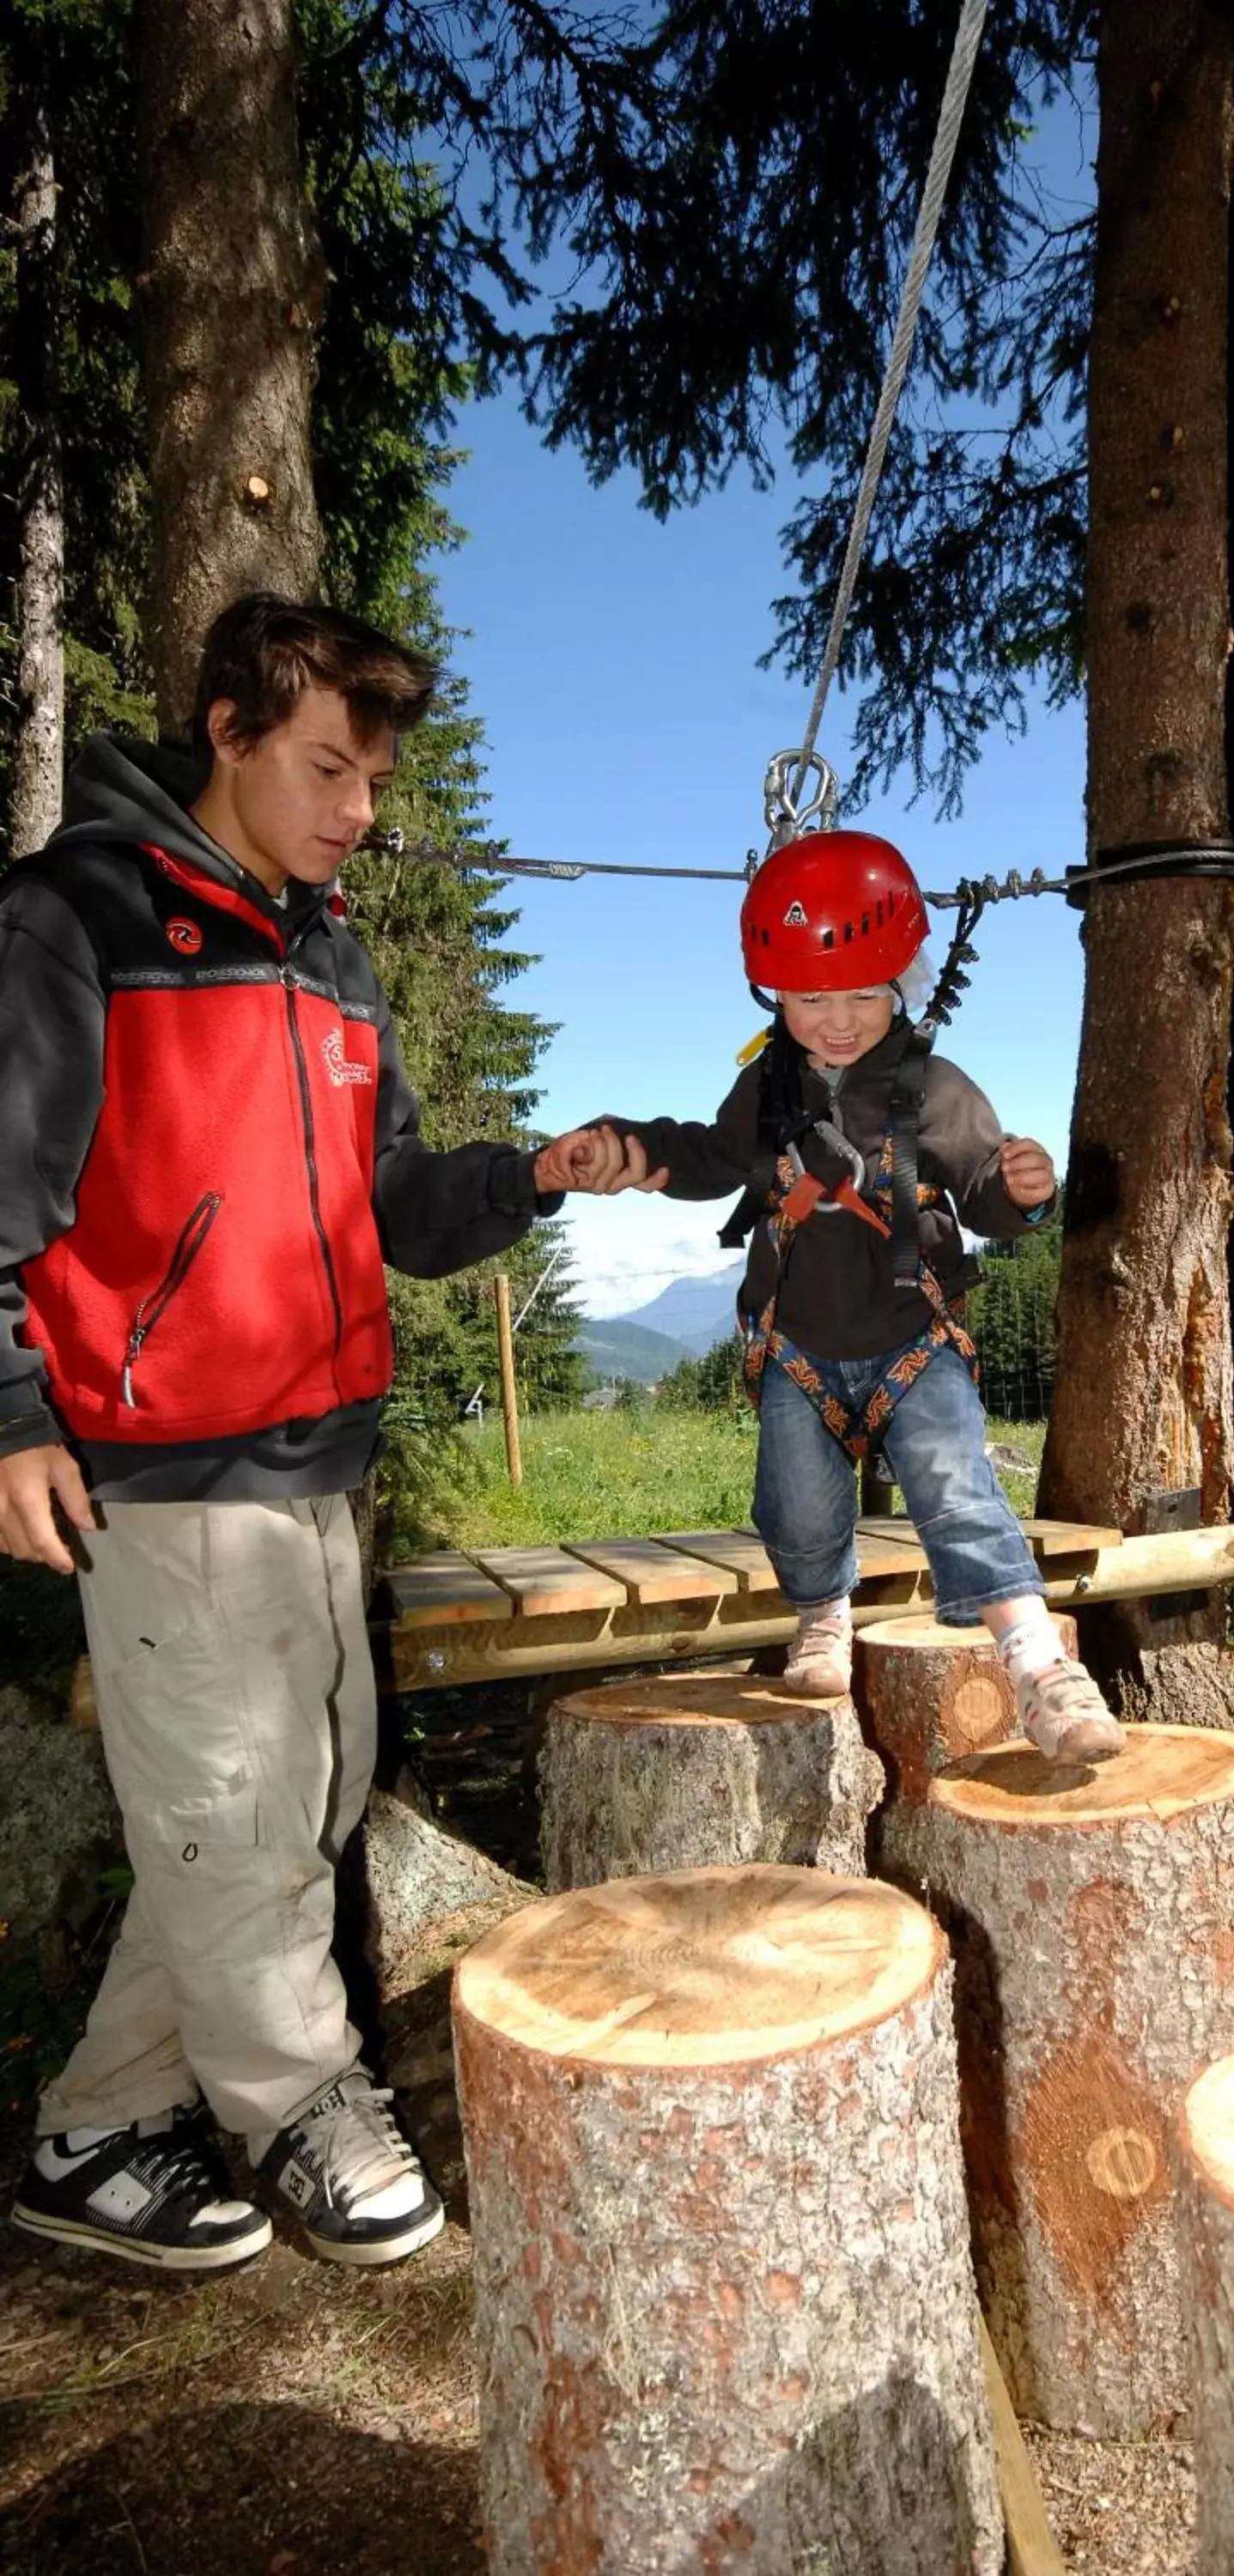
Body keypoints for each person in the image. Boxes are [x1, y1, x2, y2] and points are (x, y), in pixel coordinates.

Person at [1, 594, 587, 2275]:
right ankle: (300, 2100)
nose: (356, 808)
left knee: (289, 1804)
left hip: (322, 1457)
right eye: (326, 766)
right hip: (160, 1464)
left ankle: (101, 2127)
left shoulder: (329, 953)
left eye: (375, 780)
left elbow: (390, 1201)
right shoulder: (77, 913)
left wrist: (532, 1176)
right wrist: (6, 1415)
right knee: (241, 1795)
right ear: (229, 730)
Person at [562, 829, 1126, 1765]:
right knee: (795, 1508)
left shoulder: (933, 1087)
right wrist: (630, 1150)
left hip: (913, 1335)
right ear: (774, 996)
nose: (838, 1018)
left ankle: (1038, 1666)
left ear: (903, 981)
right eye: (810, 997)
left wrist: (1022, 1191)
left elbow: (983, 1186)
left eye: (865, 993)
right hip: (801, 1345)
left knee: (957, 1485)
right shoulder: (768, 1090)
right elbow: (710, 1156)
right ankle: (822, 1616)